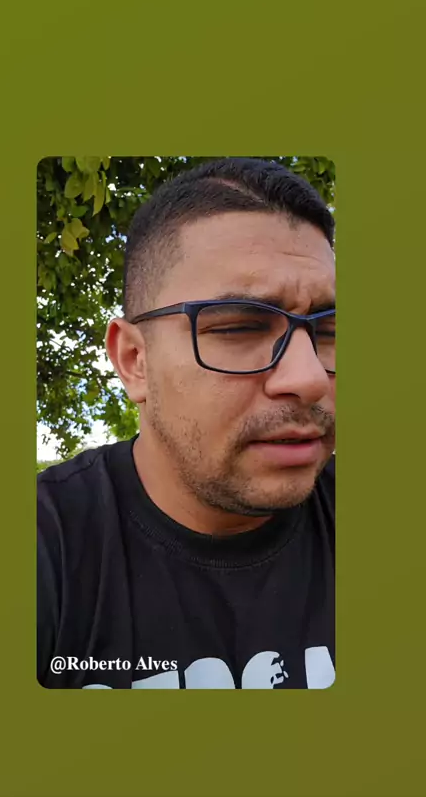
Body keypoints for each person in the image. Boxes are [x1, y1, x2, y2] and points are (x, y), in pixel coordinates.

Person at [37, 158, 336, 690]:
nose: (310, 377)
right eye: (239, 327)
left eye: (330, 330)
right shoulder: (43, 547)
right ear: (134, 361)